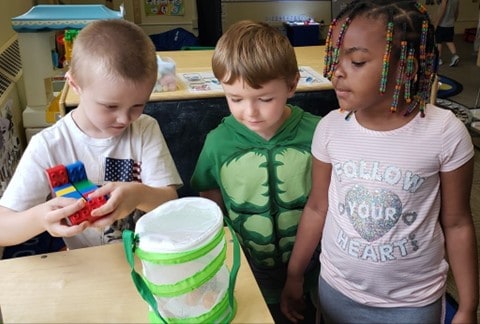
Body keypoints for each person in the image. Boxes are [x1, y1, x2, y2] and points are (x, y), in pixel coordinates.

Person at [281, 1, 479, 323]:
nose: (337, 71)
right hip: (336, 291)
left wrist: (469, 306)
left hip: (412, 304)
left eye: (357, 60)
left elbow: (457, 223)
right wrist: (294, 274)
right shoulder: (330, 127)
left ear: (407, 68)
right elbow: (318, 207)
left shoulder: (444, 133)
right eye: (334, 56)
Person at [0, 19, 182, 249]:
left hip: (144, 253)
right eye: (110, 107)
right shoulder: (48, 145)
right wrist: (40, 218)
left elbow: (170, 204)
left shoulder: (145, 128)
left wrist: (138, 195)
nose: (125, 119)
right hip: (87, 261)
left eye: (138, 106)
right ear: (75, 85)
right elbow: (3, 228)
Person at [190, 20, 321, 323]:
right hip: (246, 271)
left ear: (292, 85)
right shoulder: (218, 142)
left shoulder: (319, 133)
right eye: (235, 99)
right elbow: (209, 197)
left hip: (314, 270)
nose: (250, 112)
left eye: (264, 99)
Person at [435, 0, 460, 66]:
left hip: (442, 24)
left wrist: (436, 23)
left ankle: (439, 59)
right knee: (449, 41)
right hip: (450, 24)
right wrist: (454, 20)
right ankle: (455, 56)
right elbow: (457, 11)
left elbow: (442, 10)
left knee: (438, 42)